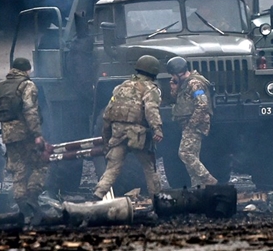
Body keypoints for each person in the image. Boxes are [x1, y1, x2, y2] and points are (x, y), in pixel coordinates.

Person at [0, 57, 49, 224]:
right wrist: (37, 134)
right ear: (27, 70)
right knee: (40, 164)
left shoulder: (1, 87)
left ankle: (23, 206)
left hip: (8, 135)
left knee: (18, 169)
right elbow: (30, 110)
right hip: (25, 132)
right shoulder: (27, 85)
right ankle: (32, 197)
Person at [93, 55, 164, 200]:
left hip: (118, 132)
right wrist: (157, 129)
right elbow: (151, 109)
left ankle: (98, 194)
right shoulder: (150, 89)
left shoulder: (121, 87)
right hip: (137, 135)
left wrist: (106, 136)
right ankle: (157, 198)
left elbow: (108, 112)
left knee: (112, 168)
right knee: (149, 167)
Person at [166, 56, 218, 187]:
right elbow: (181, 101)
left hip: (196, 123)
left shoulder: (195, 83)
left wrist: (192, 124)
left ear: (179, 73)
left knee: (185, 153)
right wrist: (174, 89)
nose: (172, 77)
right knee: (193, 157)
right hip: (188, 123)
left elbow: (202, 104)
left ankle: (208, 179)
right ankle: (198, 186)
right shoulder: (185, 84)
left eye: (173, 74)